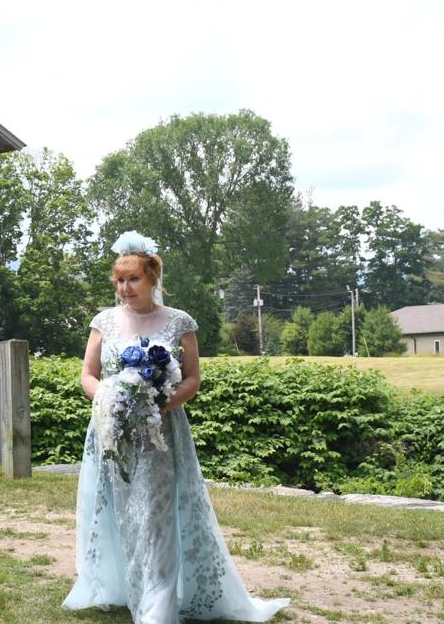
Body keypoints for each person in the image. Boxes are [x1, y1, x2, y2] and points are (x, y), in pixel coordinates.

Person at [62, 231, 289, 623]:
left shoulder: (179, 321)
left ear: (152, 278)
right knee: (120, 513)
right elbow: (88, 374)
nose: (125, 288)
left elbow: (193, 379)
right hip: (113, 431)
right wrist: (112, 401)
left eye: (133, 279)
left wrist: (156, 403)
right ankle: (124, 586)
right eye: (119, 280)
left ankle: (157, 606)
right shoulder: (104, 322)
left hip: (162, 435)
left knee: (156, 514)